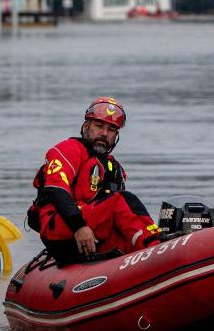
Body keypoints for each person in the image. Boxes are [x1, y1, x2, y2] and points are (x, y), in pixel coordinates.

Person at [27, 97, 161, 264]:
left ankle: (161, 254)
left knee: (130, 233)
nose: (104, 133)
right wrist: (79, 226)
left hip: (96, 235)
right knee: (124, 200)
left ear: (116, 135)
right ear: (86, 126)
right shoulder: (69, 149)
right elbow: (56, 189)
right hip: (63, 228)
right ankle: (157, 249)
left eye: (111, 129)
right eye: (99, 126)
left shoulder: (114, 167)